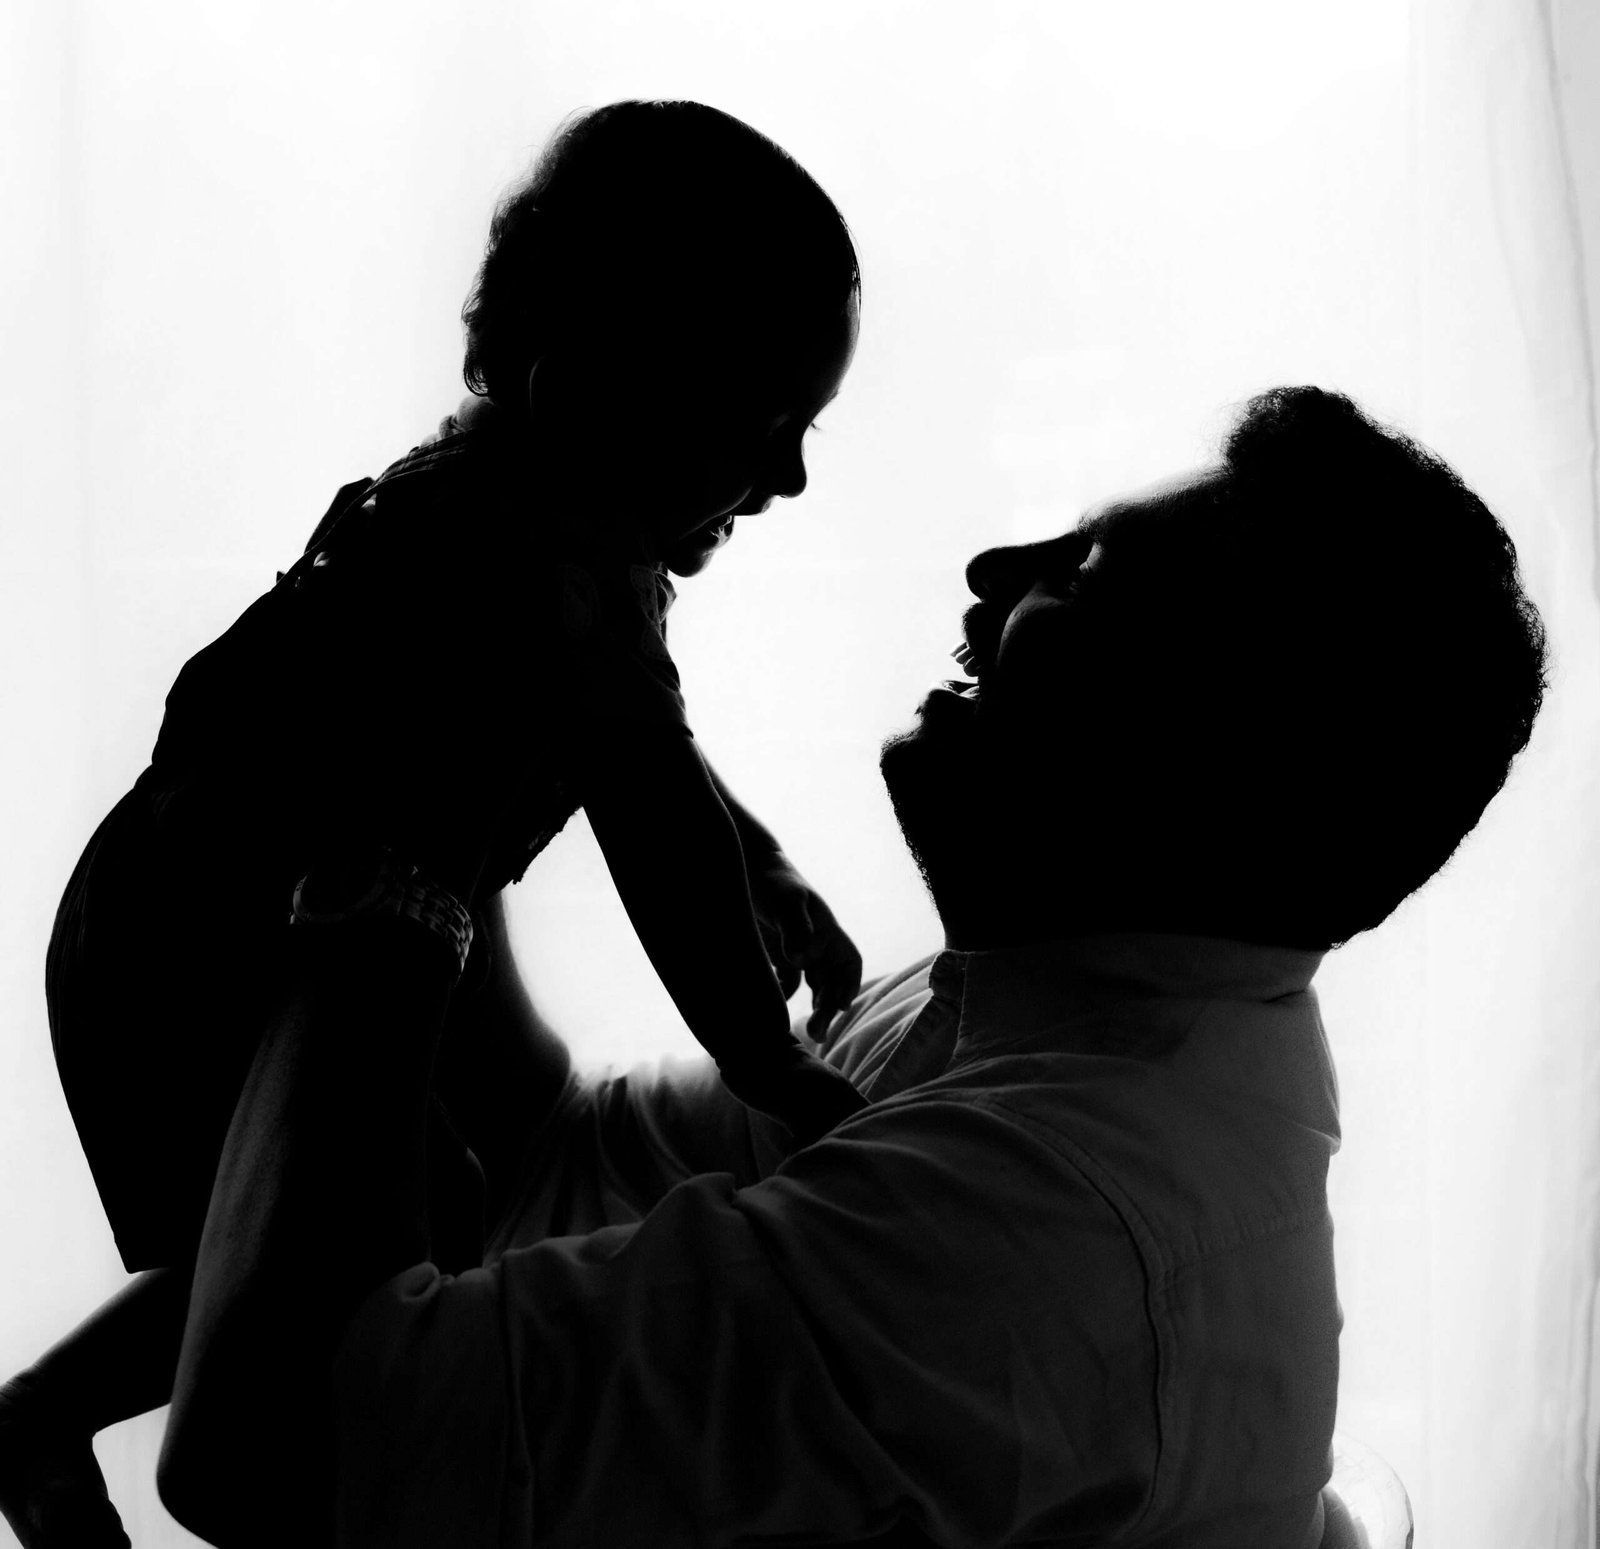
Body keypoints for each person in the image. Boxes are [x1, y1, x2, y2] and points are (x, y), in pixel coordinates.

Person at [145, 386, 1546, 1548]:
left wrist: (396, 846)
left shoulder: (1037, 1237)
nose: (992, 570)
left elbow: (271, 1457)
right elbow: (544, 1163)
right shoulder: (1024, 1019)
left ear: (1220, 760)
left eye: (1083, 575)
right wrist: (474, 707)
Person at [0, 100, 866, 1549]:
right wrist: (761, 1056)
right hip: (211, 933)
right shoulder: (551, 568)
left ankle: (37, 1415)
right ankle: (71, 1424)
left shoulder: (495, 502)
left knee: (300, 1229)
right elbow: (654, 821)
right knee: (367, 1244)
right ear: (583, 397)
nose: (786, 478)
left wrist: (759, 856)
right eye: (764, 425)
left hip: (161, 905)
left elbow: (645, 759)